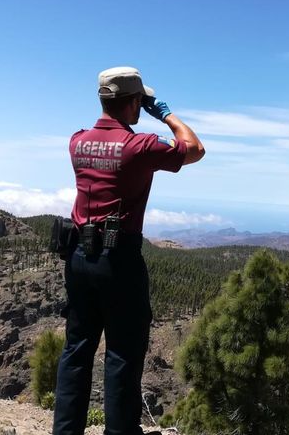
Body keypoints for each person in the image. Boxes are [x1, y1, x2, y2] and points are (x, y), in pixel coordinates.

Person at [53, 66, 205, 435]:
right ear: (136, 101)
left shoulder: (77, 141)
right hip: (117, 260)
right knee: (122, 354)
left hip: (77, 258)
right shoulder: (140, 146)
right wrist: (165, 113)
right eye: (142, 101)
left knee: (77, 349)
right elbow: (195, 149)